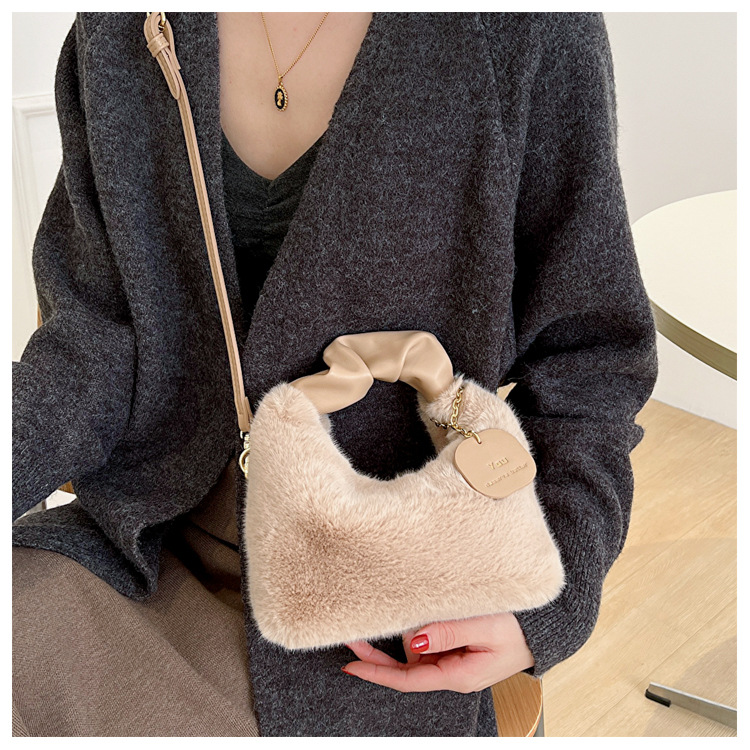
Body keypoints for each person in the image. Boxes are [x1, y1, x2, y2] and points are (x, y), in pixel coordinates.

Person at [12, 11, 659, 737]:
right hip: (144, 544)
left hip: (384, 603)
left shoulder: (526, 28)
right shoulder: (121, 25)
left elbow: (591, 361)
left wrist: (552, 591)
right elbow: (95, 337)